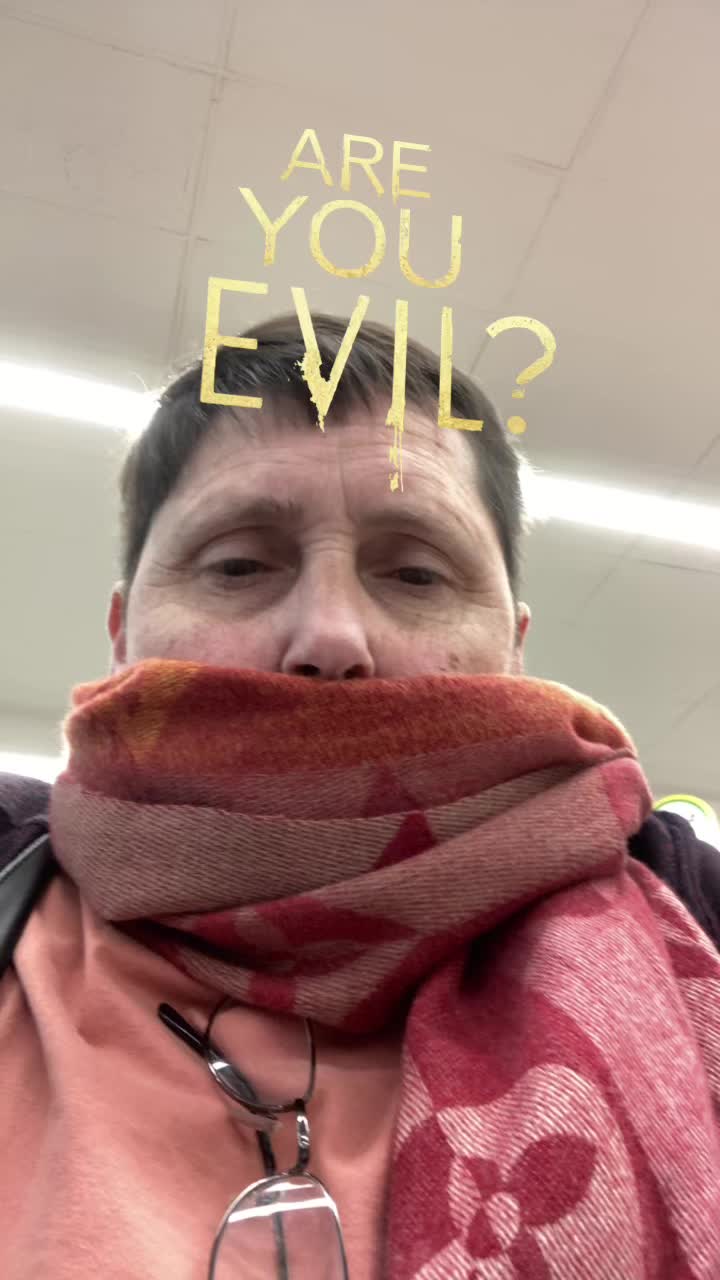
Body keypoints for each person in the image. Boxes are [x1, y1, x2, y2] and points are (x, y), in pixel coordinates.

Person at [1, 312, 719, 1279]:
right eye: (238, 564)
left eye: (417, 573)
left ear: (513, 645)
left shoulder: (695, 917)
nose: (331, 635)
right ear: (123, 632)